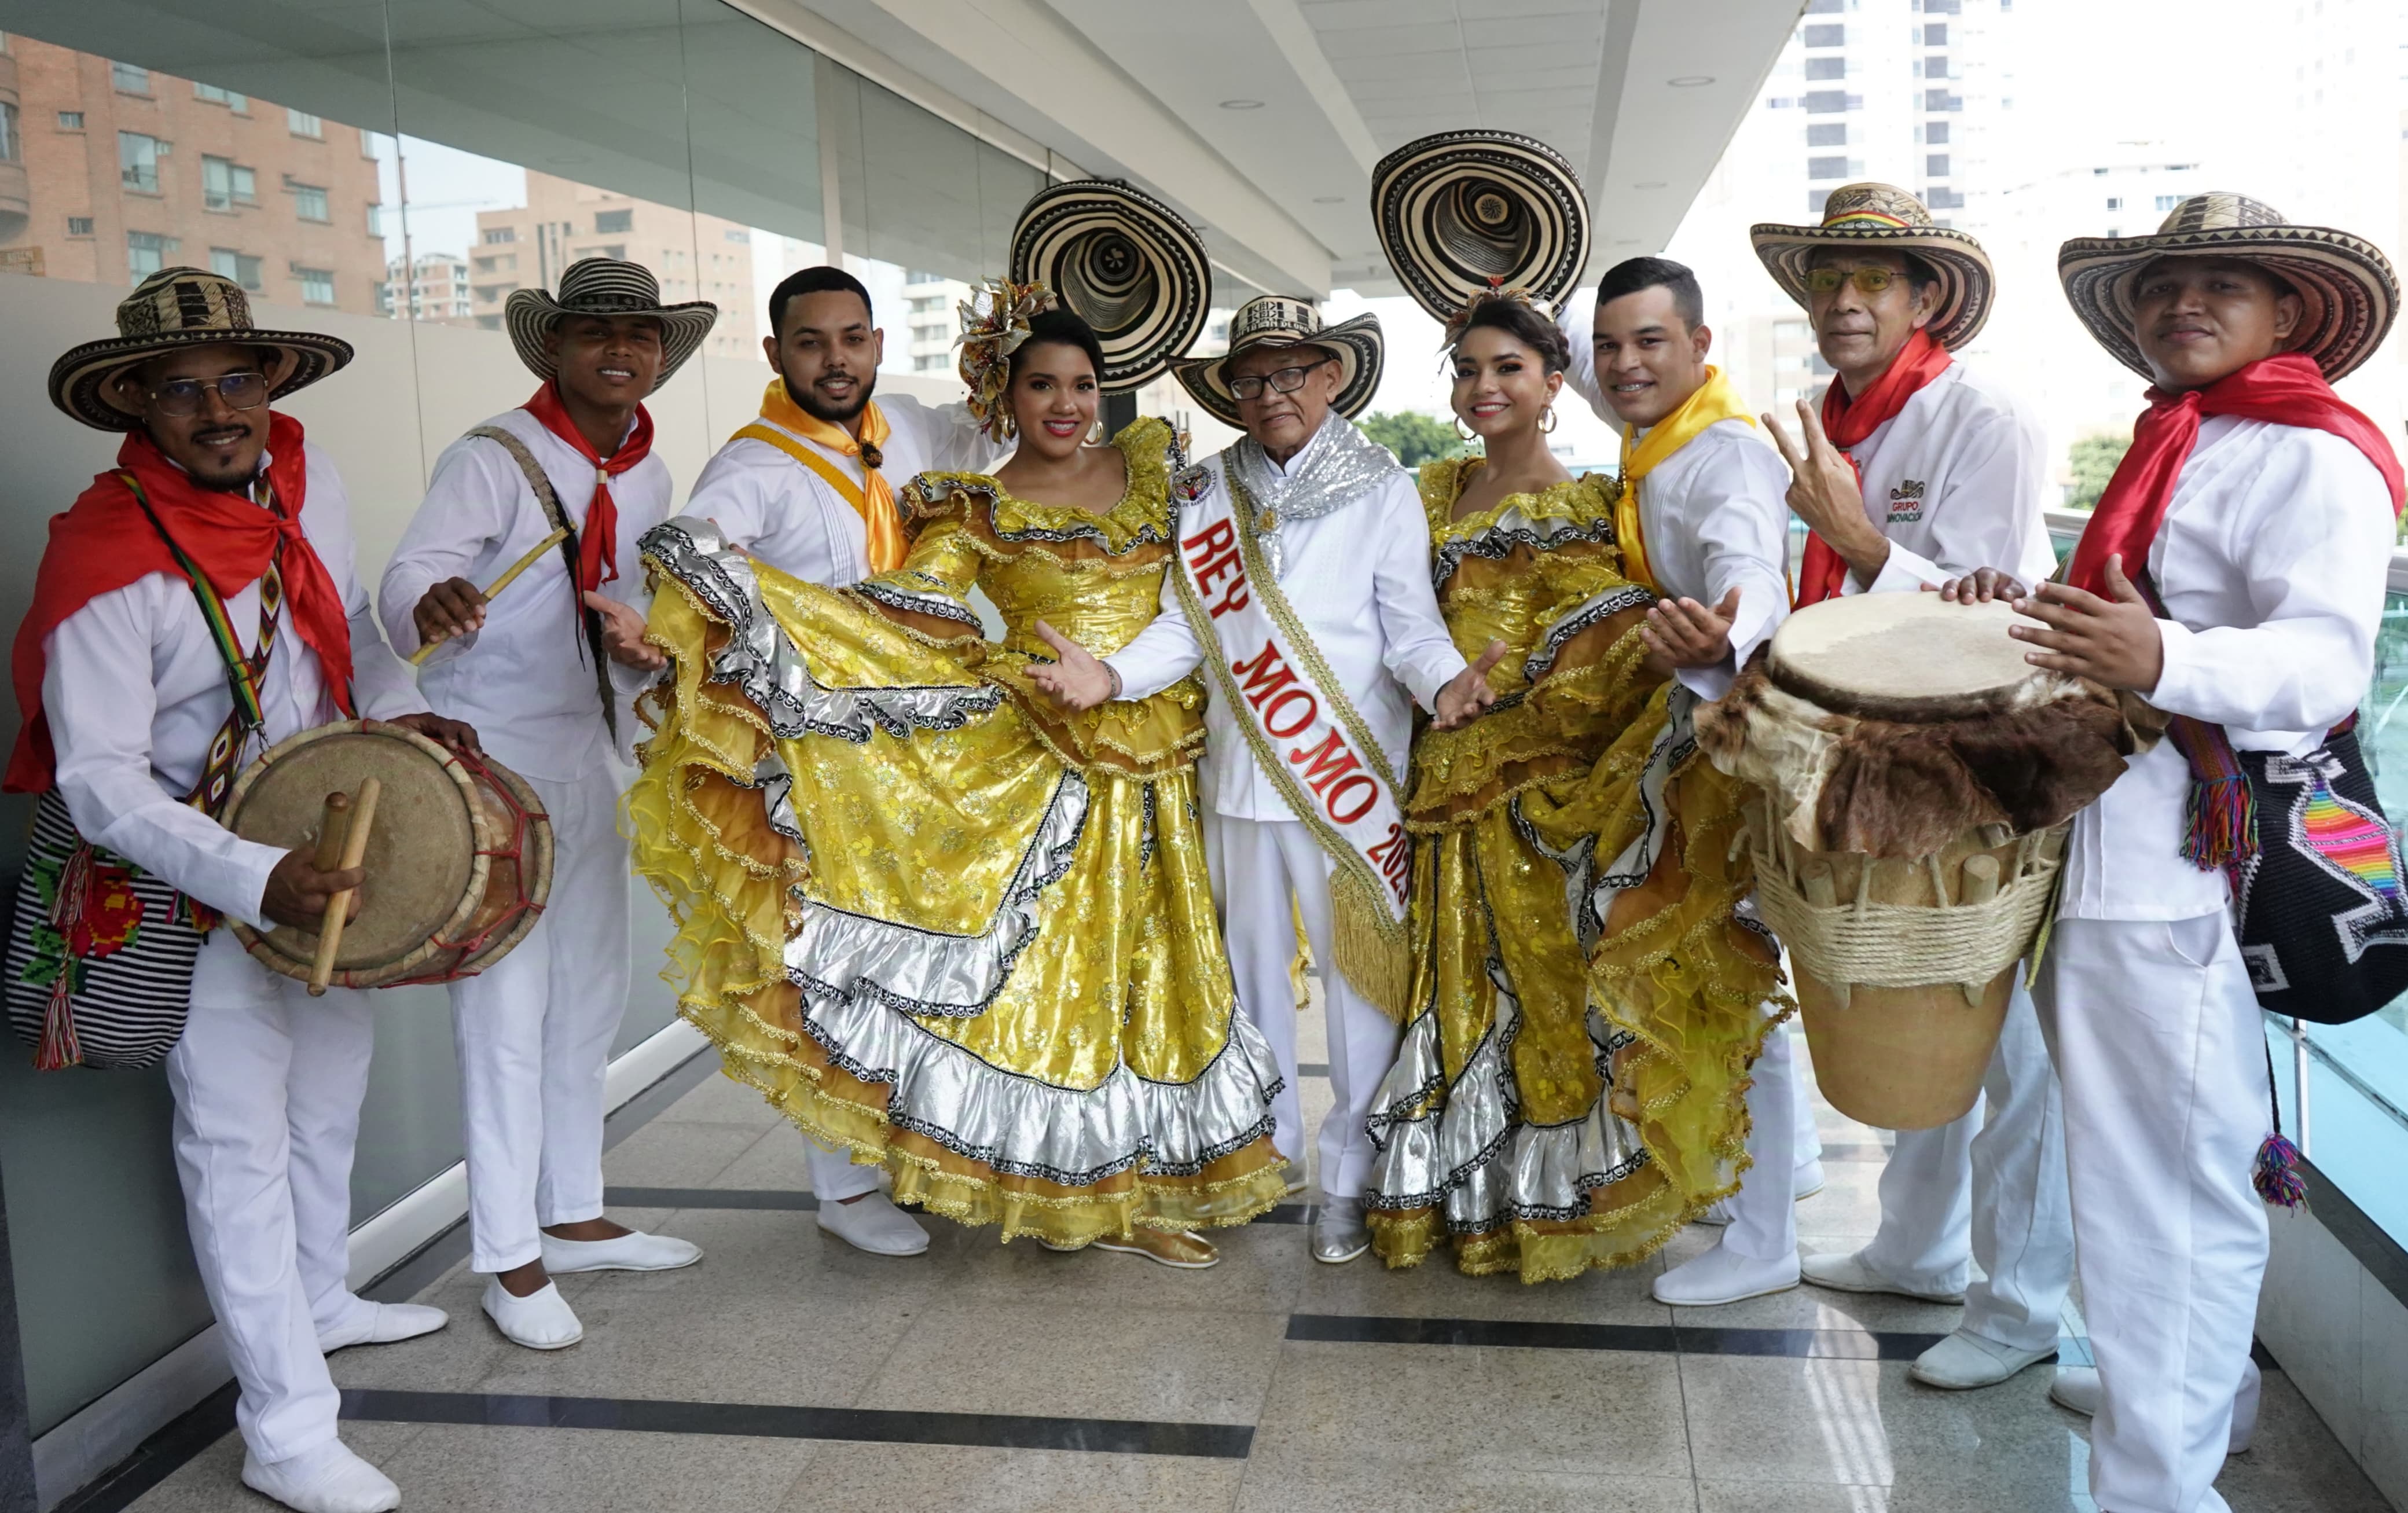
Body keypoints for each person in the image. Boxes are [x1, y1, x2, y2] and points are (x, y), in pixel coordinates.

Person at [630, 288, 1290, 1266]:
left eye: (1082, 385)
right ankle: (1078, 1182)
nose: (1064, 405)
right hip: (1043, 761)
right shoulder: (970, 505)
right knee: (1063, 985)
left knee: (1158, 967)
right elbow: (903, 606)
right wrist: (776, 627)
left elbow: (1200, 610)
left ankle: (1145, 1179)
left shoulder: (1158, 475)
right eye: (1041, 386)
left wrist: (1113, 674)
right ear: (1006, 398)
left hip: (1156, 752)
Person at [1945, 192, 2398, 1512]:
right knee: (2144, 1162)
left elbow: (2325, 660)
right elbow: (2126, 623)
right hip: (2118, 842)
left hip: (2186, 869)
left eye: (2219, 283)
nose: (2179, 302)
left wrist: (2161, 655)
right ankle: (2198, 1402)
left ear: (2287, 309)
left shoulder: (2310, 453)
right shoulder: (2182, 440)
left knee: (2164, 1186)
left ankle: (2156, 1484)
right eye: (2157, 285)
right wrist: (2034, 610)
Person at [9, 269, 473, 1513]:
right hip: (196, 887)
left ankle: (321, 1296)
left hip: (326, 860)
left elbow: (347, 642)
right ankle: (284, 1425)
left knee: (331, 1098)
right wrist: (260, 875)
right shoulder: (105, 559)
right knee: (235, 1147)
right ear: (137, 408)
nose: (218, 409)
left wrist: (403, 728)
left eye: (235, 380)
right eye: (182, 390)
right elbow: (101, 782)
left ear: (270, 386)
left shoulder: (300, 489)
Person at [1028, 293, 1502, 1264]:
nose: (1273, 391)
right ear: (1231, 389)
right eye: (1253, 376)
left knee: (1360, 984)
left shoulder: (1382, 485)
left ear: (1331, 376)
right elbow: (1184, 626)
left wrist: (1446, 681)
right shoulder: (1202, 493)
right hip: (1239, 776)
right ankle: (1264, 1152)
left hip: (1347, 780)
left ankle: (1352, 1174)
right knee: (1247, 984)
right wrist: (1112, 675)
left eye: (1293, 371)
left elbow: (1407, 624)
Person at [1749, 183, 2074, 1391]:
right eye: (1827, 279)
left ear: (1924, 296)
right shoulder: (1838, 420)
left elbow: (1987, 623)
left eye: (1873, 280)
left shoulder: (1975, 416)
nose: (1843, 300)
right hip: (1875, 748)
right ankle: (1917, 1245)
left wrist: (1865, 536)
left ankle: (2023, 1300)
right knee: (1909, 997)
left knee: (2010, 1036)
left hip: (1985, 762)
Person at [379, 258, 714, 1353]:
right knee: (503, 1015)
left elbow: (637, 624)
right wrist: (427, 597)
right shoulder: (491, 457)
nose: (622, 351)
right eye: (597, 333)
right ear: (555, 349)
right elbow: (405, 585)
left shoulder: (650, 475)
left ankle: (574, 1210)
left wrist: (646, 649)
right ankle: (508, 1256)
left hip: (591, 755)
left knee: (587, 996)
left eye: (642, 334)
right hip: (492, 765)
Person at [1355, 292, 1695, 1279]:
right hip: (1437, 785)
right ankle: (1461, 1198)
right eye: (1467, 369)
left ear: (1556, 383)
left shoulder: (1580, 506)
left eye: (1508, 367)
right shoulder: (1429, 491)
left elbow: (1609, 649)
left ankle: (1542, 1201)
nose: (1483, 387)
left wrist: (1511, 697)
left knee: (1536, 993)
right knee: (1453, 985)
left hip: (1525, 797)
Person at [677, 265, 1003, 1259]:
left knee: (920, 954)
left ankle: (914, 1150)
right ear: (776, 354)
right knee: (834, 962)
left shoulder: (906, 424)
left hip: (918, 748)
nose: (835, 359)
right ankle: (843, 1183)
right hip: (817, 756)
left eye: (852, 338)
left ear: (875, 344)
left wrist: (1004, 350)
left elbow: (991, 431)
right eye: (812, 342)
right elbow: (695, 545)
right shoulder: (755, 463)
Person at [1557, 256, 1801, 1307]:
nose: (1621, 365)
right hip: (1690, 728)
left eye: (1650, 342)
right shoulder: (1655, 433)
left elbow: (1759, 571)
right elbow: (1568, 351)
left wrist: (1726, 624)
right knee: (1696, 967)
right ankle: (1754, 1180)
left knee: (1729, 974)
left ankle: (1766, 1228)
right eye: (1608, 347)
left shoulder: (1723, 453)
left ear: (1702, 347)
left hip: (1729, 732)